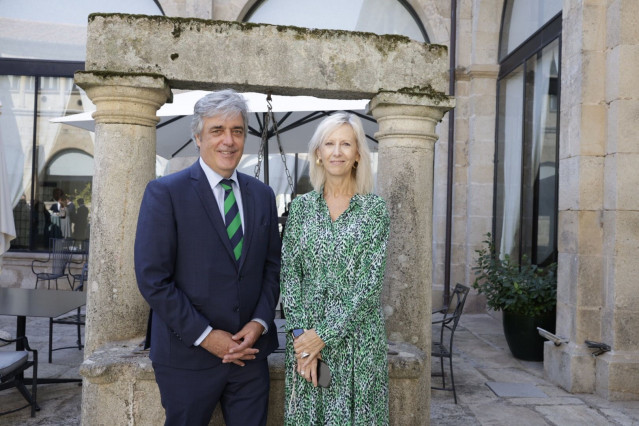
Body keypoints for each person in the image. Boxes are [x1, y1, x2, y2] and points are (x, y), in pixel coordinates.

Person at [134, 89, 281, 426]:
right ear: (198, 137)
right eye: (217, 130)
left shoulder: (262, 195)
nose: (228, 141)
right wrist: (206, 336)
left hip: (249, 356)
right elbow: (153, 280)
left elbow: (272, 267)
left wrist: (260, 322)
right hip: (187, 357)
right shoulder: (165, 193)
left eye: (237, 131)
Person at [281, 112, 390, 425]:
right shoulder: (301, 208)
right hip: (307, 345)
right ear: (318, 152)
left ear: (357, 154)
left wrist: (322, 336)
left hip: (359, 343)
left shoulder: (374, 210)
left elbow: (369, 285)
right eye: (329, 143)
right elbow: (290, 276)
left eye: (346, 144)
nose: (337, 151)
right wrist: (304, 342)